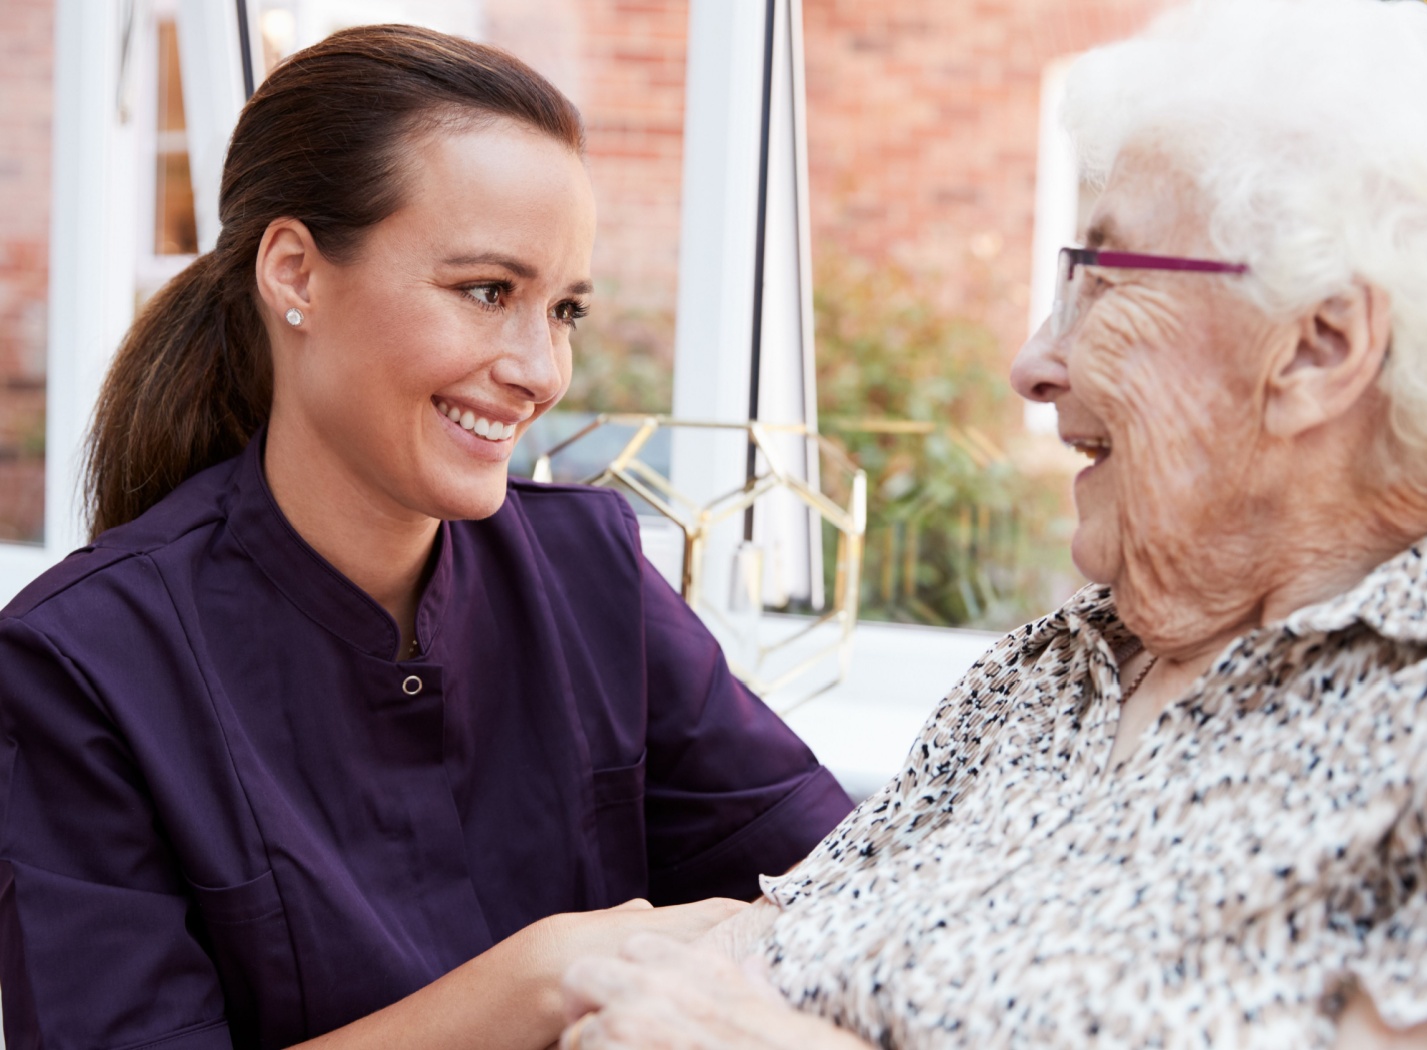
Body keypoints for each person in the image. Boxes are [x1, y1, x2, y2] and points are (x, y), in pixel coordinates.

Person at [553, 1, 1427, 1047]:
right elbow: (761, 951)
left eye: (1100, 280)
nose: (1032, 362)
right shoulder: (1052, 670)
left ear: (1318, 349)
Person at [0, 24, 853, 1049]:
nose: (540, 369)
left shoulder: (593, 577)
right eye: (486, 292)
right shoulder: (80, 664)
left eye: (564, 309)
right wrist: (543, 978)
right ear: (295, 275)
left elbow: (847, 895)